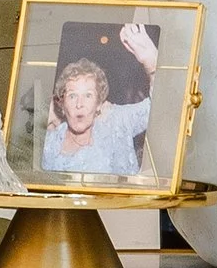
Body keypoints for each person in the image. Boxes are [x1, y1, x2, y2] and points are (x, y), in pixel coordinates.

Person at [34, 14, 161, 182]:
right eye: (72, 96)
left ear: (99, 103)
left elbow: (158, 108)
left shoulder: (118, 123)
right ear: (62, 104)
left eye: (88, 95)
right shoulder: (49, 142)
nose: (80, 104)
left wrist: (151, 64)